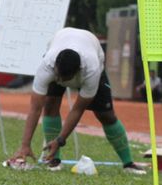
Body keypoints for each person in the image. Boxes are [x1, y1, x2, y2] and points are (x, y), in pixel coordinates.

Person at [10, 27, 146, 175]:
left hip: (92, 51)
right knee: (49, 105)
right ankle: (53, 159)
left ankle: (128, 163)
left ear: (77, 72)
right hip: (63, 42)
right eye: (58, 76)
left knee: (106, 115)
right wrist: (25, 145)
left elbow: (77, 109)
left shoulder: (91, 70)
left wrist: (60, 140)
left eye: (65, 79)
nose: (60, 81)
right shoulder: (47, 66)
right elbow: (35, 108)